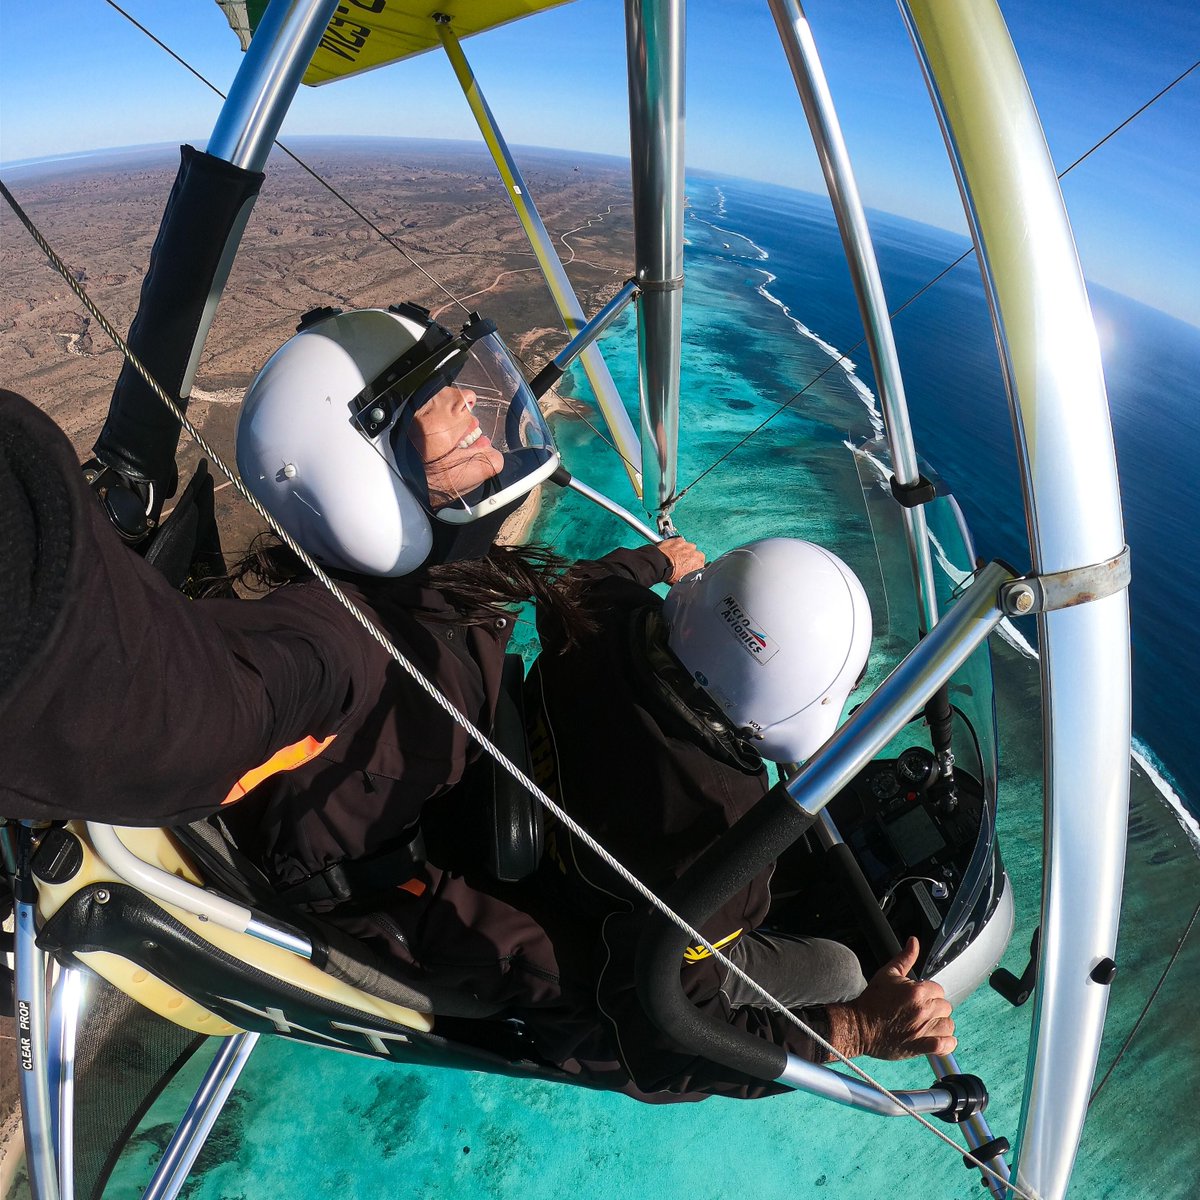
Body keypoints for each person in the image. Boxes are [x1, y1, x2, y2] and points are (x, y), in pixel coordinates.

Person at [520, 537, 957, 1100]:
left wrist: (658, 560)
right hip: (601, 960)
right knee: (843, 972)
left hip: (556, 847)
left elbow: (577, 577)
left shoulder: (596, 613)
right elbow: (668, 1042)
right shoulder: (723, 837)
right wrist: (859, 1028)